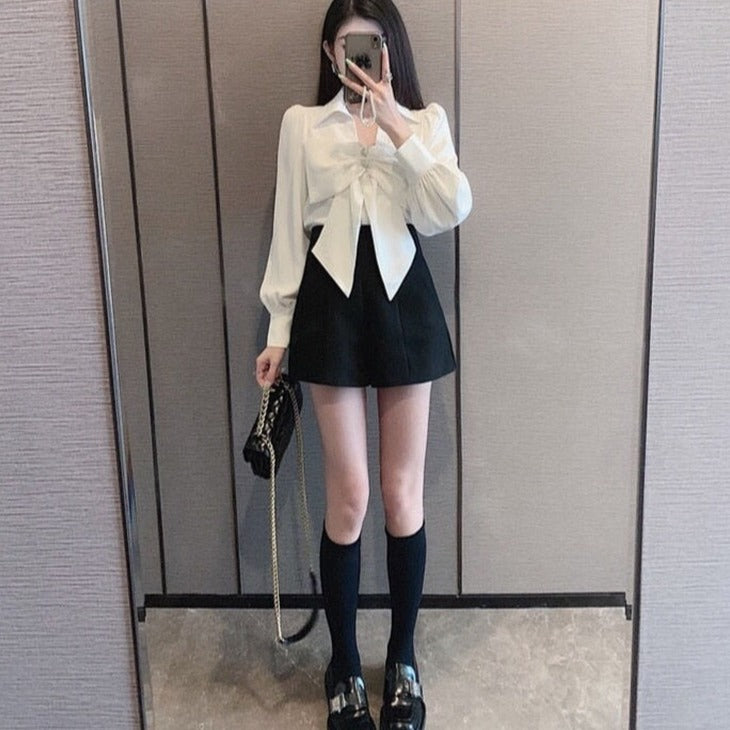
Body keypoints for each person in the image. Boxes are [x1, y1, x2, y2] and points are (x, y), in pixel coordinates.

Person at [255, 1, 472, 728]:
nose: (360, 57)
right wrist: (278, 331)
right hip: (329, 305)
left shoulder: (426, 121)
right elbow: (290, 230)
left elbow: (451, 205)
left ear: (390, 49)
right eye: (349, 45)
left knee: (402, 494)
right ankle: (344, 664)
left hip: (404, 300)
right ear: (330, 51)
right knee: (348, 497)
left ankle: (402, 659)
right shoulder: (300, 125)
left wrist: (397, 126)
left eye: (373, 45)